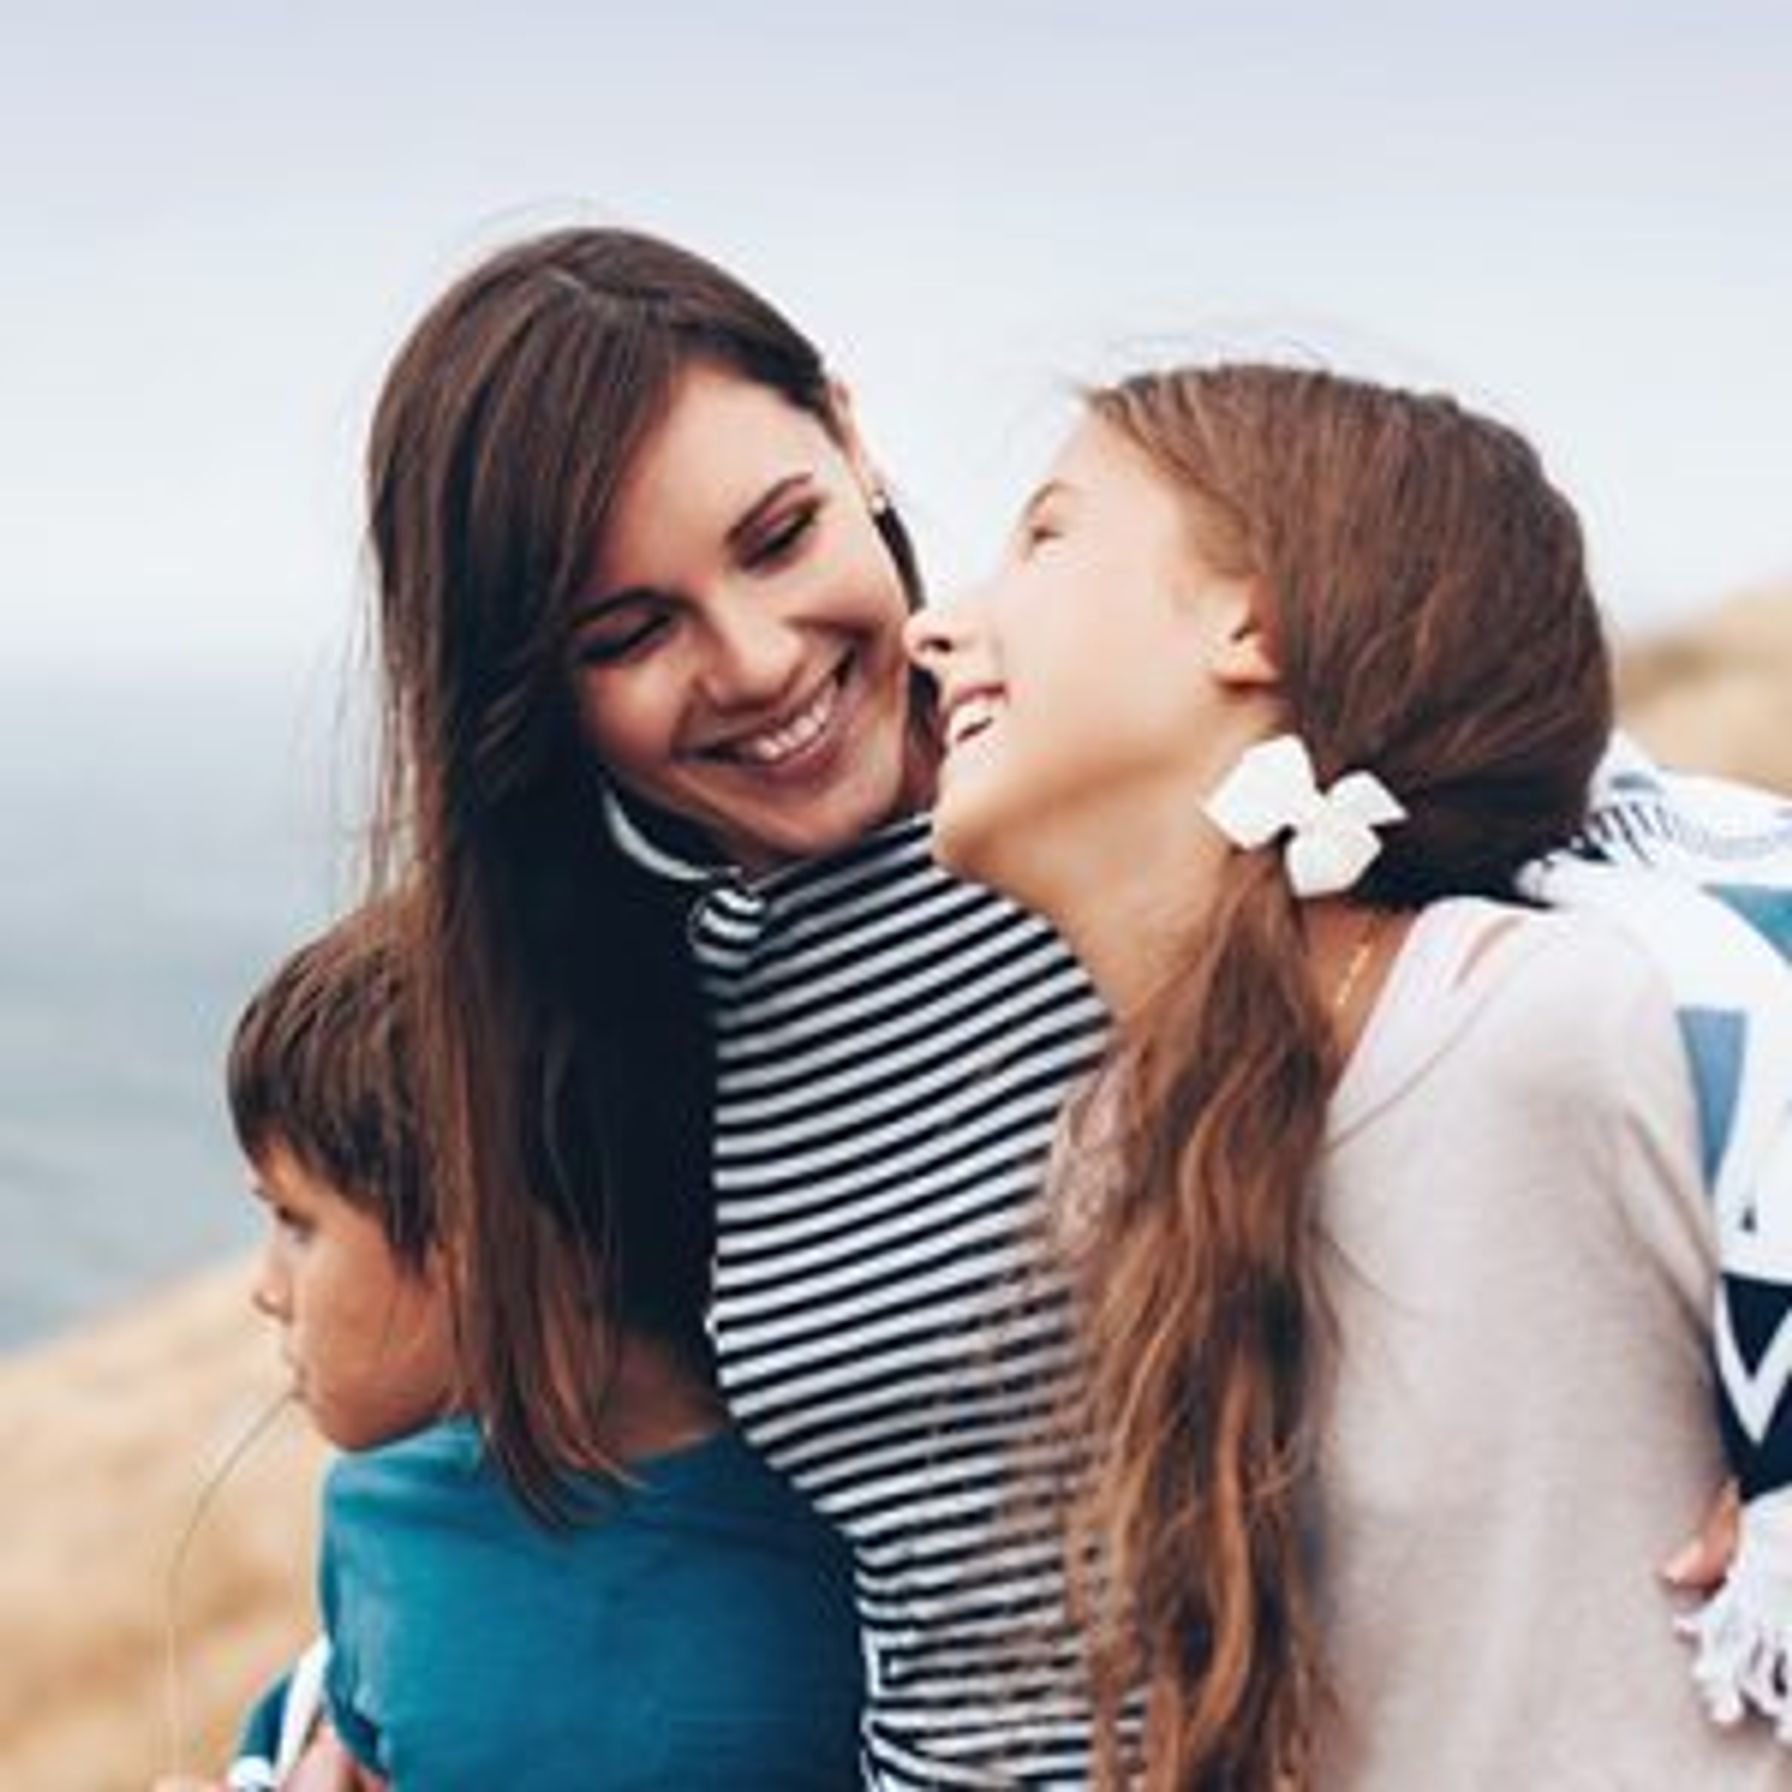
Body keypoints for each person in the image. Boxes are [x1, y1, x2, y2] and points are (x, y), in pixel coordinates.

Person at [360, 223, 1791, 1786]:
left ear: (854, 438)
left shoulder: (1173, 820)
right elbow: (683, 1540)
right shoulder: (644, 1027)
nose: (758, 660)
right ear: (529, 692)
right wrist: (340, 1725)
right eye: (629, 634)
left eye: (778, 538)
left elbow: (1701, 967)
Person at [904, 363, 1792, 1787]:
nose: (935, 626)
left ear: (1252, 619)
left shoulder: (1543, 1024)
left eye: (1048, 534)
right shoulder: (1120, 1150)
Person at [162, 905, 863, 1789]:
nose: (267, 1288)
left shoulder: (838, 1528)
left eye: (297, 1222)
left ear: (478, 1238)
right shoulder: (382, 1508)